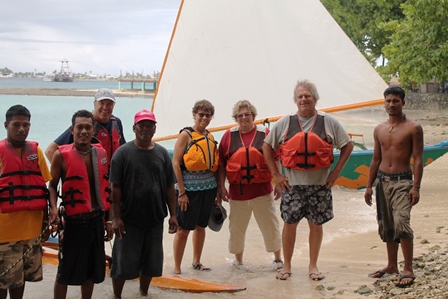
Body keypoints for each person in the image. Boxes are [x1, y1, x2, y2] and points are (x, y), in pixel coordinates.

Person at [263, 79, 354, 281]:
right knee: (290, 224)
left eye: (308, 95)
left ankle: (313, 266)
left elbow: (347, 145)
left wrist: (336, 171)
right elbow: (266, 146)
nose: (304, 99)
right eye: (300, 96)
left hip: (320, 185)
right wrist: (276, 175)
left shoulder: (327, 121)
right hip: (292, 185)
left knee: (316, 225)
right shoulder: (285, 122)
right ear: (295, 100)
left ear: (315, 98)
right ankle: (286, 266)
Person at [109, 109, 178, 299]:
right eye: (142, 125)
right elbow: (115, 188)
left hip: (155, 218)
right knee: (122, 263)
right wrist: (115, 218)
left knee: (151, 263)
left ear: (155, 129)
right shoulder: (122, 153)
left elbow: (169, 187)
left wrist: (173, 214)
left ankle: (143, 294)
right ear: (134, 128)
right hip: (128, 219)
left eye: (149, 125)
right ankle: (116, 296)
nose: (145, 129)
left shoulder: (162, 153)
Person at [48, 110, 113, 299]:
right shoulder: (61, 155)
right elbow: (52, 186)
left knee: (91, 272)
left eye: (88, 127)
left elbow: (106, 190)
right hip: (73, 223)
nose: (84, 131)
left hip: (96, 221)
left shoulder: (100, 153)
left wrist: (108, 221)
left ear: (93, 129)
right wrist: (53, 209)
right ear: (72, 129)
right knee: (65, 272)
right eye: (80, 127)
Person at [364, 86, 423, 288]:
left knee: (401, 222)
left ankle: (408, 268)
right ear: (384, 103)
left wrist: (416, 187)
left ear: (403, 103)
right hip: (382, 182)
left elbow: (418, 159)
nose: (391, 104)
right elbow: (375, 159)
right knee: (387, 225)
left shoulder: (413, 128)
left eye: (396, 101)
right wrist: (369, 186)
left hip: (402, 181)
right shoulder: (379, 129)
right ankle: (391, 266)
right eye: (388, 101)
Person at [217, 100, 283, 268]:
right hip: (237, 194)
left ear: (253, 116)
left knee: (270, 226)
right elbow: (222, 164)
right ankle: (238, 262)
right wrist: (221, 187)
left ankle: (277, 259)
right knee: (236, 229)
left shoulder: (265, 133)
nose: (244, 118)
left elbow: (276, 158)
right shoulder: (228, 136)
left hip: (262, 192)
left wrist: (279, 182)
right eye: (240, 115)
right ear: (236, 118)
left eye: (247, 114)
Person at [0, 105, 51, 299]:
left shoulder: (35, 151)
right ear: (6, 125)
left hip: (31, 231)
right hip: (5, 233)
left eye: (26, 125)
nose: (22, 129)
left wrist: (46, 223)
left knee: (21, 280)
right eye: (17, 124)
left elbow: (43, 190)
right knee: (3, 281)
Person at [172, 99, 220, 274]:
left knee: (201, 226)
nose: (204, 118)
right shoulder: (186, 135)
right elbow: (175, 164)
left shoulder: (210, 136)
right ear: (194, 115)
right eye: (201, 114)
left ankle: (197, 262)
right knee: (183, 229)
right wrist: (181, 192)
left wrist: (218, 193)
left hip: (208, 188)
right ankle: (177, 268)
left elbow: (214, 166)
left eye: (208, 115)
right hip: (189, 191)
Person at [45, 88, 126, 164]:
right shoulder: (85, 123)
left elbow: (124, 151)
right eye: (102, 103)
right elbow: (50, 151)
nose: (105, 107)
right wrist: (67, 172)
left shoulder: (116, 123)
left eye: (109, 104)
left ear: (114, 105)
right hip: (89, 176)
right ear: (95, 104)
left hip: (112, 176)